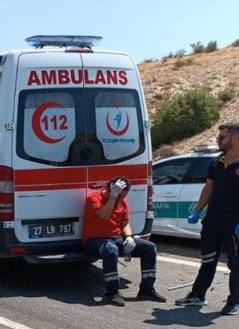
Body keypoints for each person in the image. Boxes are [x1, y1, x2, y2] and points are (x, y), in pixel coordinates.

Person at [175, 123, 239, 315]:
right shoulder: (216, 162)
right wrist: (197, 210)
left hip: (233, 224)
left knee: (235, 263)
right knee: (208, 259)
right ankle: (197, 295)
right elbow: (208, 189)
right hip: (212, 221)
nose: (218, 141)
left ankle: (234, 301)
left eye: (222, 138)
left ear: (235, 138)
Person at [82, 177, 166, 306]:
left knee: (149, 248)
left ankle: (147, 289)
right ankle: (112, 293)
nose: (121, 198)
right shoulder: (94, 198)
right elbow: (103, 215)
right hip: (94, 240)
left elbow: (124, 223)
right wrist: (113, 196)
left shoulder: (122, 200)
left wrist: (129, 237)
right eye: (120, 194)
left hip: (116, 238)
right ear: (112, 189)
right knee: (110, 250)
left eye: (124, 195)